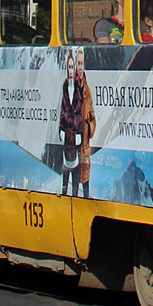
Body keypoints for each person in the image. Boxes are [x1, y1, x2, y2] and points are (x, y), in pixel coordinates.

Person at [74, 49, 96, 199]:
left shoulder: (87, 90)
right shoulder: (70, 89)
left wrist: (89, 128)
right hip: (73, 139)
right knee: (73, 170)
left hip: (84, 141)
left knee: (85, 169)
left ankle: (85, 197)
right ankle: (74, 196)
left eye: (82, 64)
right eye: (78, 64)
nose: (80, 68)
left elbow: (92, 115)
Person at [60, 51, 82, 196]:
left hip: (75, 132)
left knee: (75, 166)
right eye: (69, 67)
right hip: (68, 133)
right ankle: (64, 192)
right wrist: (62, 128)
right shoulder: (65, 87)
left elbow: (79, 111)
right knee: (66, 165)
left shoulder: (77, 89)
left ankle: (74, 193)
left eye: (72, 67)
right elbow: (63, 109)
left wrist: (79, 131)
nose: (71, 70)